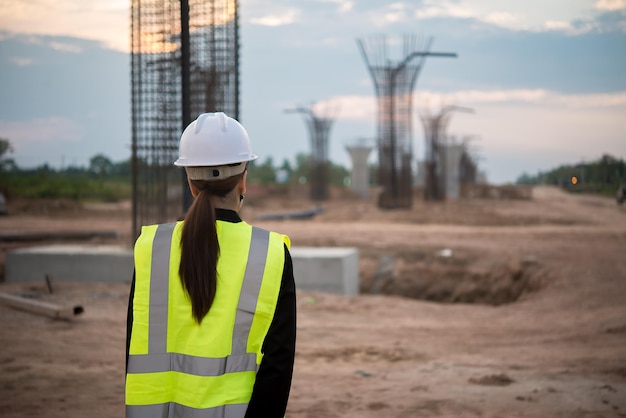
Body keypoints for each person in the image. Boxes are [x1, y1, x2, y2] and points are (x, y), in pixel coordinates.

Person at [125, 112, 296, 418]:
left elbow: (134, 344)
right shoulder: (271, 253)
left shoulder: (151, 247)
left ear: (190, 182)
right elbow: (277, 367)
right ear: (244, 180)